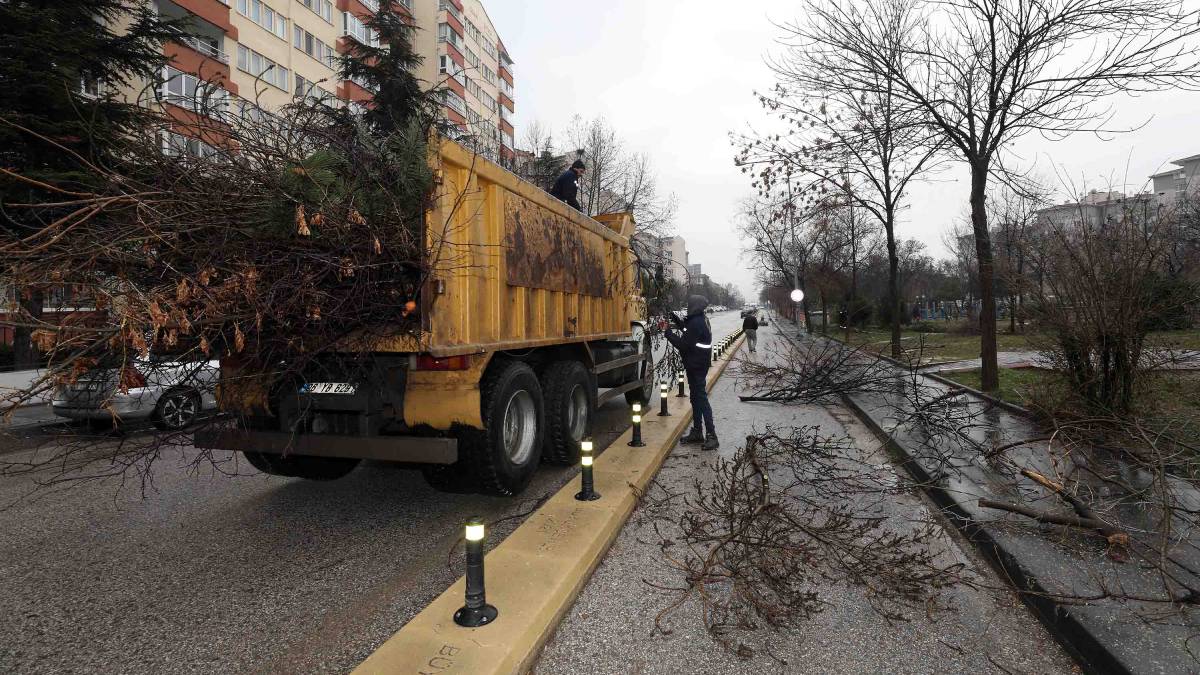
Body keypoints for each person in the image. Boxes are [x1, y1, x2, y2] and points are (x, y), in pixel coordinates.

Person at [663, 295, 718, 450]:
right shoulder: (700, 319)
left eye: (689, 304)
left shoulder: (696, 322)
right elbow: (688, 331)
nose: (688, 306)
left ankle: (712, 435)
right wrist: (675, 319)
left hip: (697, 364)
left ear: (695, 306)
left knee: (701, 399)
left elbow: (684, 344)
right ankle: (697, 432)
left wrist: (668, 333)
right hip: (698, 363)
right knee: (695, 398)